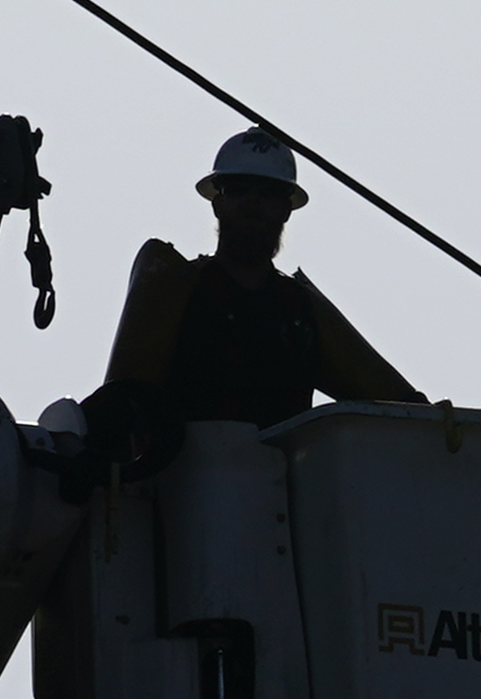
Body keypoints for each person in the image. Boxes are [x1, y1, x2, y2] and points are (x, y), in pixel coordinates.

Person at [80, 127, 418, 471]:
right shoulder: (175, 290)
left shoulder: (301, 310)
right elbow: (122, 402)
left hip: (283, 499)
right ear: (218, 203)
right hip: (182, 491)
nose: (253, 202)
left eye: (268, 193)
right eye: (239, 189)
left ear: (286, 208)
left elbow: (401, 407)